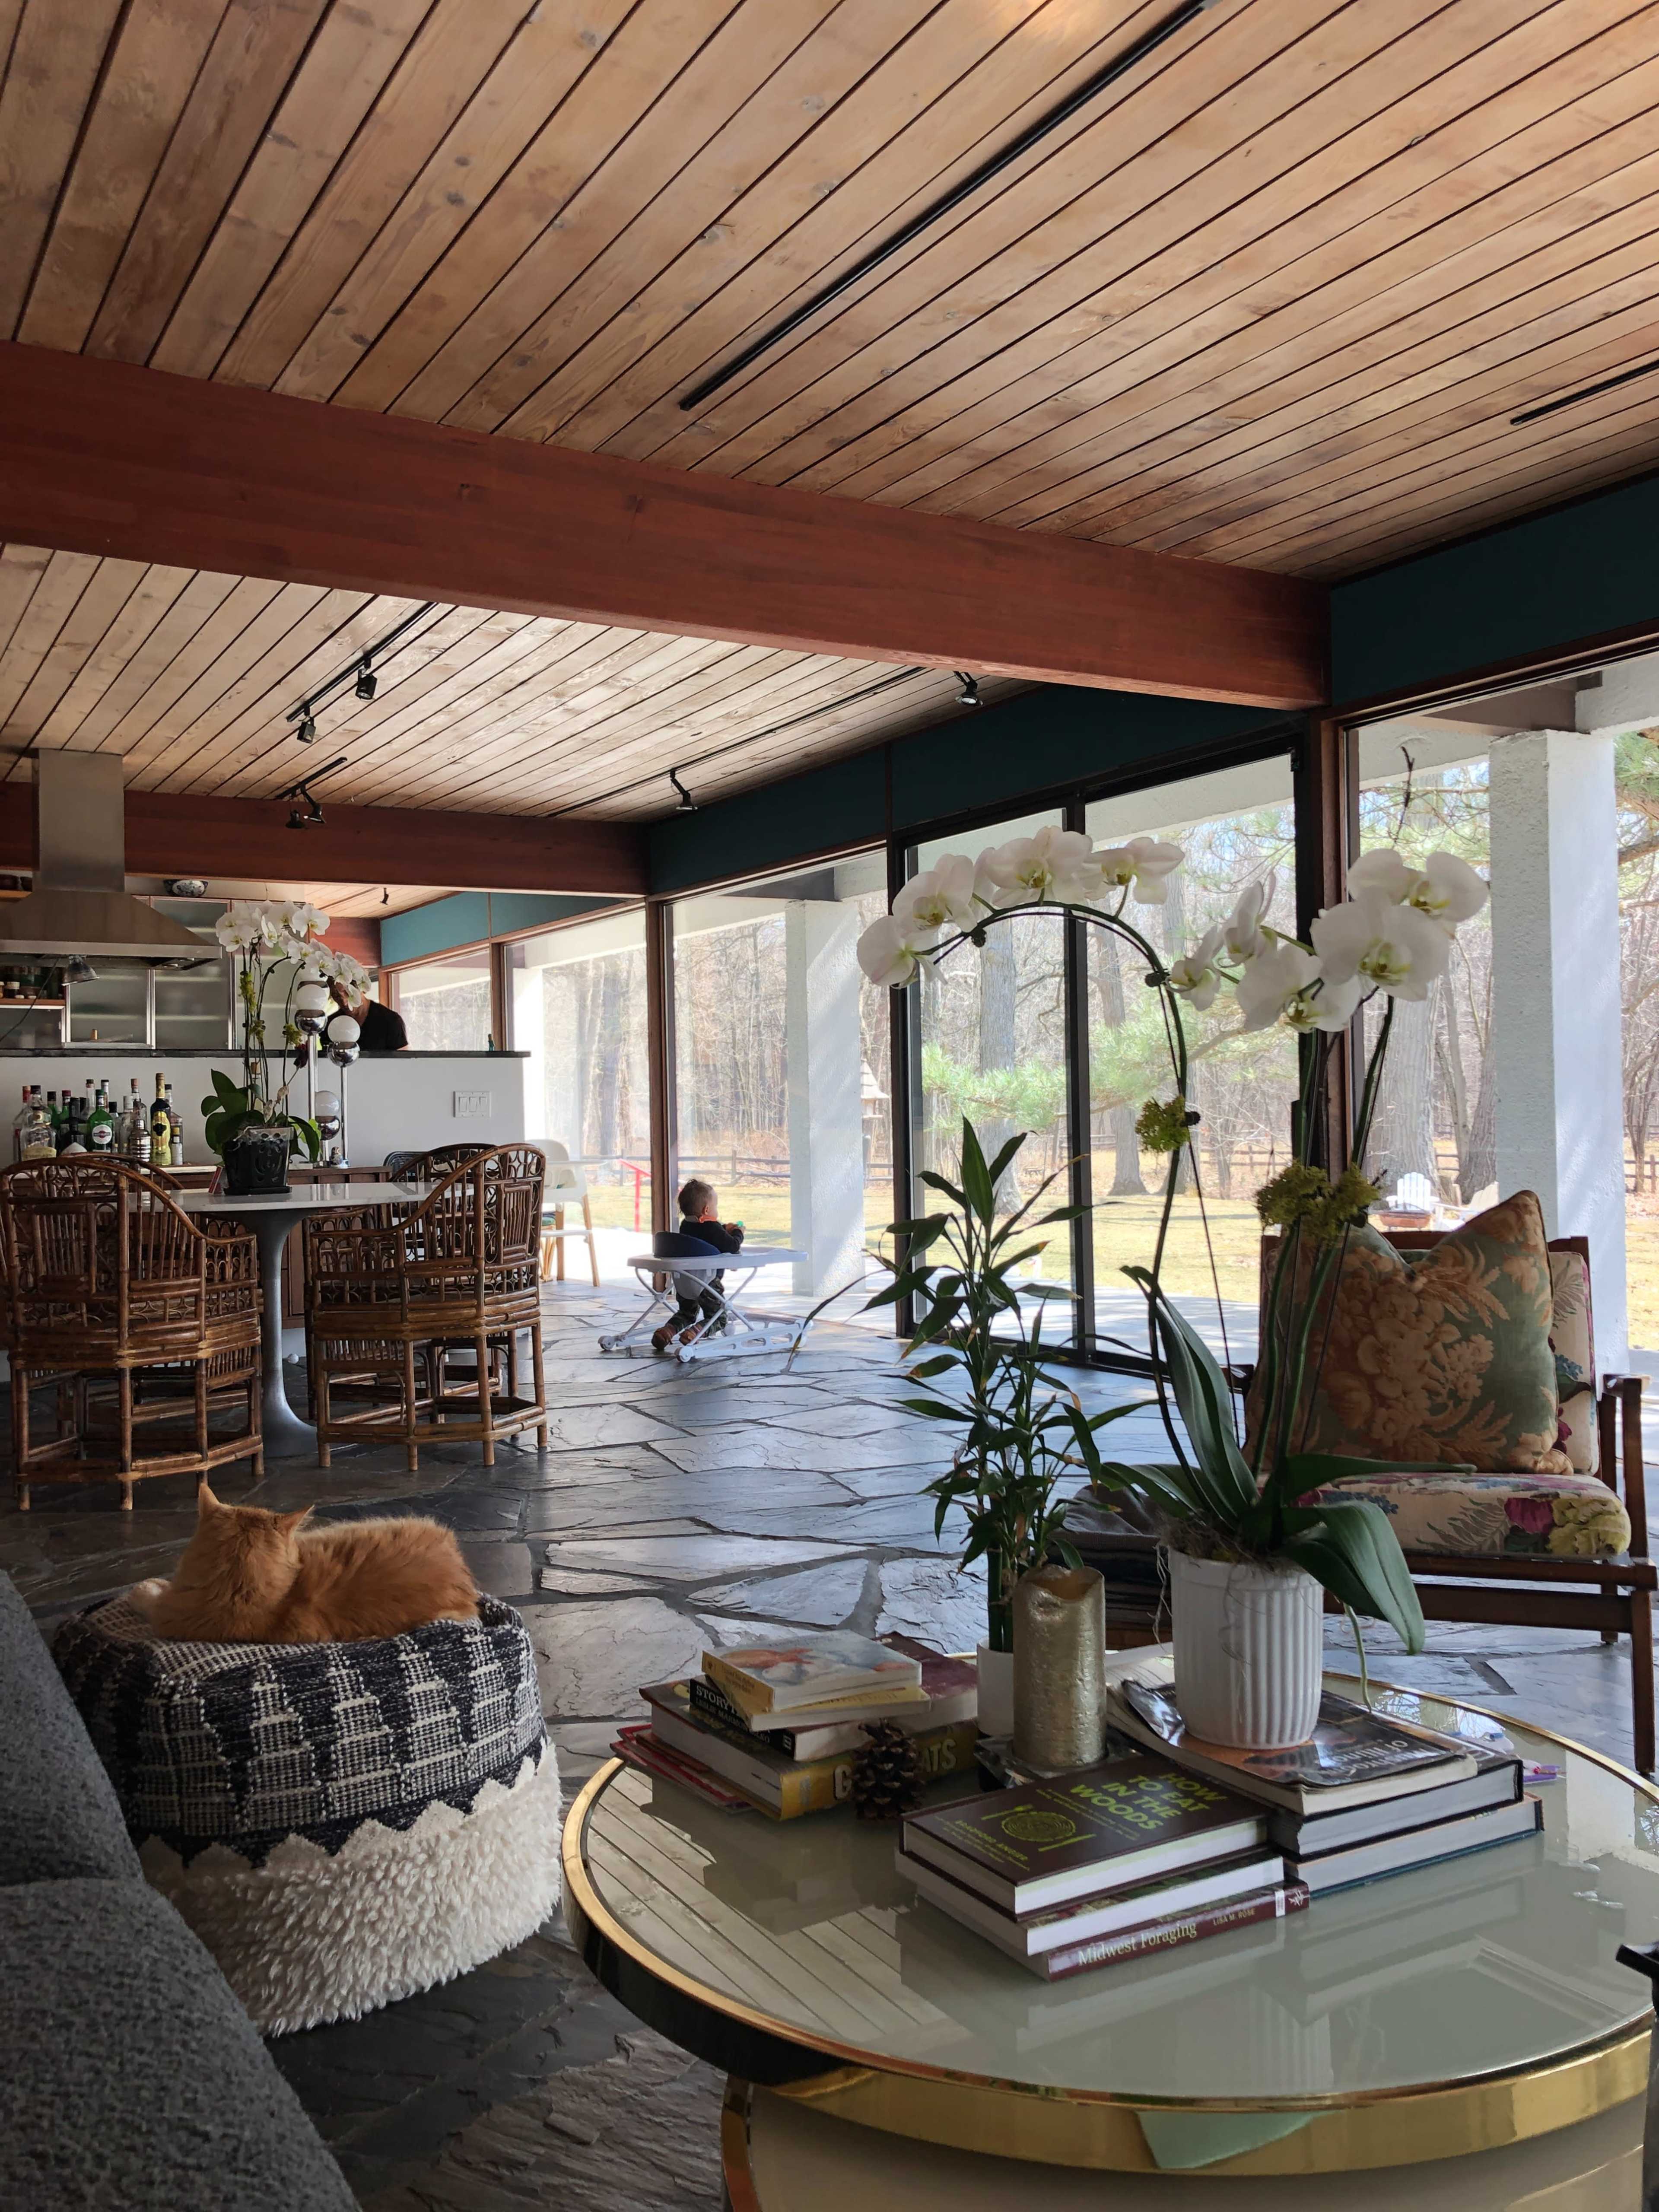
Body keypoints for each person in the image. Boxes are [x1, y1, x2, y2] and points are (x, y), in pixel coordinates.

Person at [652, 1177, 744, 1352]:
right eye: (716, 1207)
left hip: (685, 1282)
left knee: (686, 1314)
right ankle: (694, 1334)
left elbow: (705, 1232)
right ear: (707, 1209)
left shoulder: (686, 1226)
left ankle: (667, 1331)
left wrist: (723, 1228)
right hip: (707, 1283)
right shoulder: (713, 1228)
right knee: (718, 1318)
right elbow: (732, 1246)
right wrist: (738, 1232)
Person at [325, 979, 407, 1054]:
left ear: (359, 988)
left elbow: (402, 1062)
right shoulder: (332, 1024)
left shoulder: (390, 1020)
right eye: (336, 996)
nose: (344, 1002)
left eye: (348, 992)